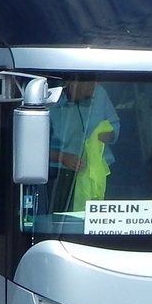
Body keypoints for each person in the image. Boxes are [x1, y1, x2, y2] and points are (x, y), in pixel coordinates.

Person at [48, 78, 119, 210]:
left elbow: (115, 123)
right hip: (60, 174)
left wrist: (110, 135)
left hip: (98, 171)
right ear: (73, 84)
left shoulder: (99, 93)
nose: (93, 88)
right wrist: (62, 157)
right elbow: (33, 149)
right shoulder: (49, 98)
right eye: (90, 84)